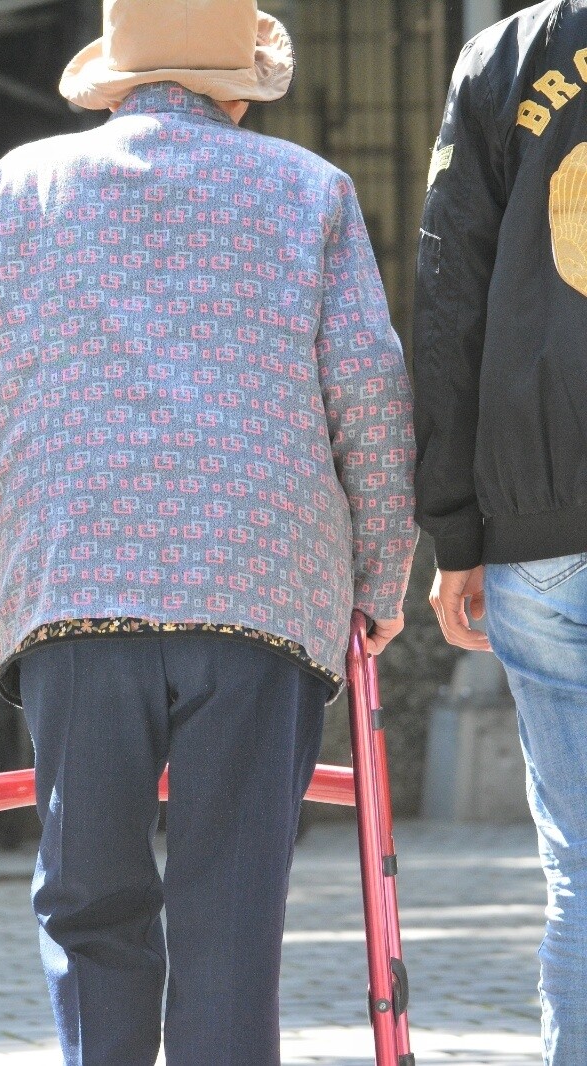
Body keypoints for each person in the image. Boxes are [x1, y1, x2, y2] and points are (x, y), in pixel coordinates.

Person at [0, 2, 417, 1062]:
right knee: (228, 907)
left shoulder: (19, 188)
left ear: (114, 82)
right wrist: (378, 580)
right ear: (236, 90)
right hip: (262, 588)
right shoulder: (311, 191)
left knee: (91, 897)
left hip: (78, 583)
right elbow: (373, 400)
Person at [415, 4, 587, 1060]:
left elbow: (450, 294)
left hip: (542, 521)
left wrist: (453, 530)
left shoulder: (505, 55)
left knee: (583, 868)